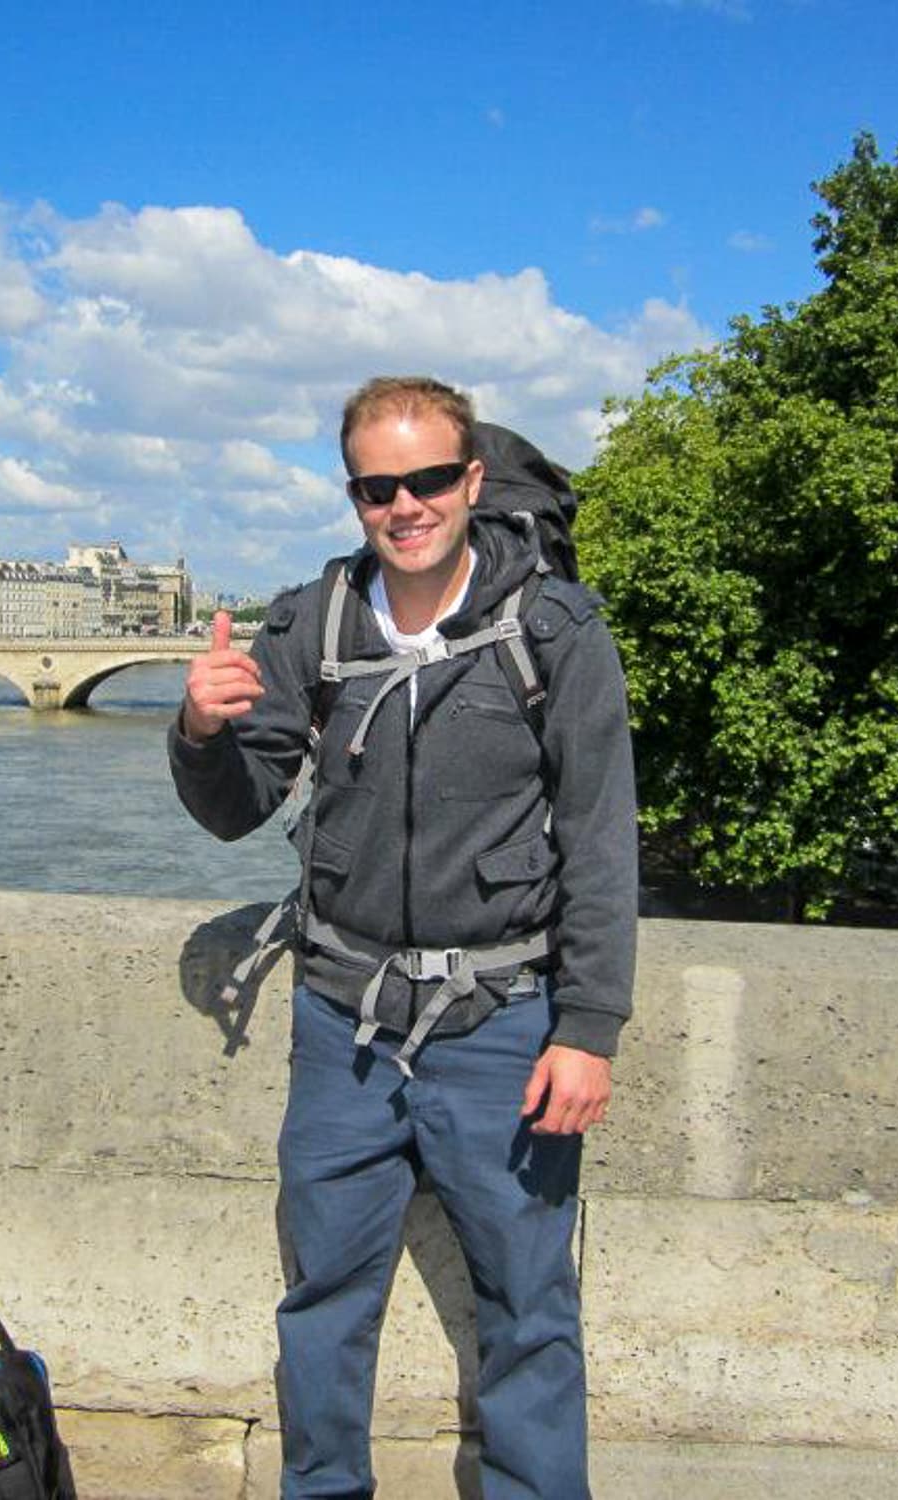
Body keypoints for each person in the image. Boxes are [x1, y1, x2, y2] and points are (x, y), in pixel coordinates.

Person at [168, 375, 637, 1499]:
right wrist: (197, 730)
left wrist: (588, 1027)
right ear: (354, 496)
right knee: (322, 1303)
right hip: (344, 1023)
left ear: (471, 481)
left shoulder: (556, 631)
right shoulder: (312, 624)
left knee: (530, 1307)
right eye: (378, 488)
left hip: (504, 1024)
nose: (405, 506)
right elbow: (237, 809)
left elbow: (598, 837)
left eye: (428, 480)